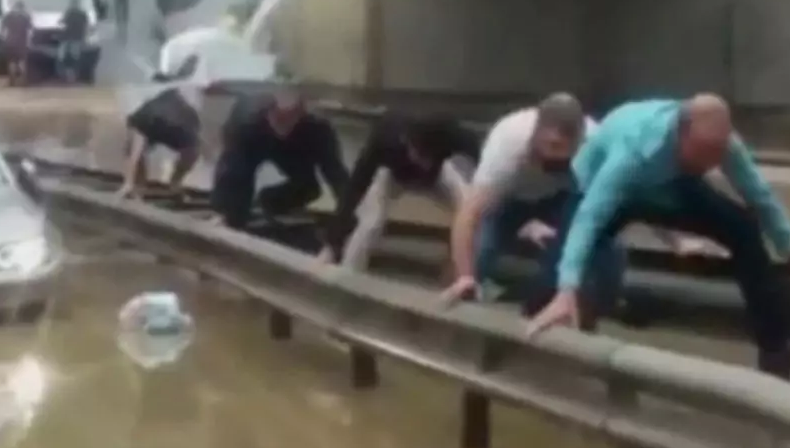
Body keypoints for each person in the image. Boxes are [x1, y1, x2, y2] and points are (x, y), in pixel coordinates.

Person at [523, 94, 790, 379]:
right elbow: (590, 217)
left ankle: (775, 350)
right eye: (702, 154)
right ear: (680, 133)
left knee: (743, 226)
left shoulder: (719, 145)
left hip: (669, 182)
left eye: (716, 156)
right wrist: (568, 287)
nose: (709, 164)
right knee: (567, 258)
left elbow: (758, 192)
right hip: (602, 183)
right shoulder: (634, 151)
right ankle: (535, 322)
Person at [441, 94, 629, 323]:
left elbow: (617, 201)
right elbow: (468, 214)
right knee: (481, 247)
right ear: (536, 132)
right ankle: (454, 303)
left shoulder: (596, 140)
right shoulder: (508, 141)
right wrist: (465, 275)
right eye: (550, 147)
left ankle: (592, 307)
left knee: (606, 242)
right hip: (509, 197)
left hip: (557, 199)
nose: (556, 157)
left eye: (566, 152)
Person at [322, 114, 482, 270]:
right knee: (371, 220)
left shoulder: (456, 136)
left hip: (439, 176)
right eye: (420, 156)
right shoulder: (385, 137)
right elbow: (356, 187)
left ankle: (468, 272)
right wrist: (333, 242)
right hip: (394, 176)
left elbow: (484, 168)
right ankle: (348, 270)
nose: (424, 164)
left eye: (429, 157)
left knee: (468, 202)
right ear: (406, 142)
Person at [211, 91, 349, 230]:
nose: (283, 124)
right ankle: (228, 214)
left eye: (290, 117)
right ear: (268, 111)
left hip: (294, 143)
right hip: (254, 139)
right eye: (279, 117)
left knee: (307, 185)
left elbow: (336, 173)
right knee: (237, 172)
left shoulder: (318, 128)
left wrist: (351, 211)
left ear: (301, 112)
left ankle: (270, 200)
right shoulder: (246, 122)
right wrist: (228, 212)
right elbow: (230, 168)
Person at [116, 55, 208, 199]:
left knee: (193, 148)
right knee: (137, 147)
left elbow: (195, 123)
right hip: (148, 118)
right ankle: (132, 184)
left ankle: (175, 183)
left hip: (175, 122)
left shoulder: (194, 89)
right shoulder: (157, 82)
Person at [0, 0, 32, 87]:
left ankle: (12, 81)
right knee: (21, 62)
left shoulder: (8, 16)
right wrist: (29, 43)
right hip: (21, 43)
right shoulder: (26, 17)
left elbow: (2, 30)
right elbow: (30, 31)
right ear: (22, 8)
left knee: (11, 62)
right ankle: (23, 81)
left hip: (10, 42)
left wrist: (3, 39)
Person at [56, 0, 89, 81]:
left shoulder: (69, 12)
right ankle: (75, 74)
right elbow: (86, 25)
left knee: (61, 55)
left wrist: (60, 22)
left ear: (72, 3)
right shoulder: (83, 13)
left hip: (67, 37)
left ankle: (62, 74)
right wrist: (84, 38)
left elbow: (62, 21)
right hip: (78, 37)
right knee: (75, 56)